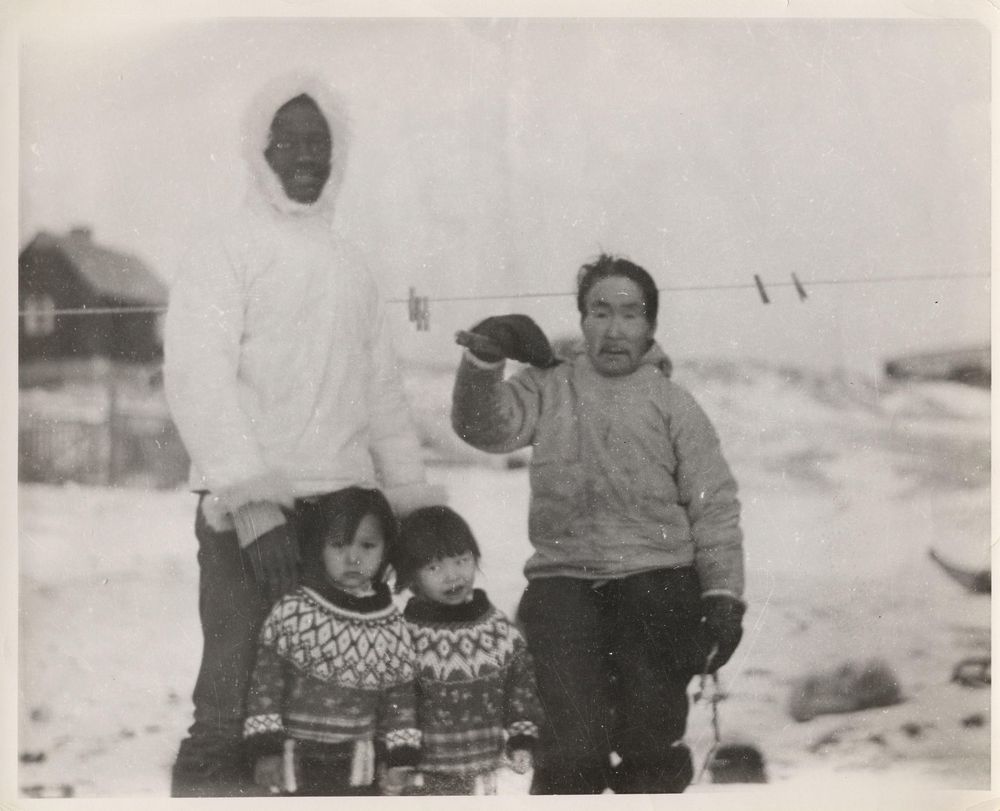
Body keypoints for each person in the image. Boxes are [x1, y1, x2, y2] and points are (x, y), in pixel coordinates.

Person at [163, 72, 440, 797]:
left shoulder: (352, 266)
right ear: (260, 151)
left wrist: (412, 508)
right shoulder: (224, 250)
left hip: (344, 522)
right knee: (230, 712)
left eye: (321, 141)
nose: (308, 155)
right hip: (249, 523)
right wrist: (253, 505)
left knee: (336, 715)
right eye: (289, 141)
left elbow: (382, 396)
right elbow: (197, 377)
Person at [451, 253, 746, 794]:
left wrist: (723, 598)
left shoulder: (675, 406)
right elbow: (484, 428)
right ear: (582, 320)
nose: (614, 330)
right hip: (564, 588)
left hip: (658, 588)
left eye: (631, 315)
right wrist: (486, 360)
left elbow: (715, 508)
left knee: (650, 747)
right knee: (568, 748)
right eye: (600, 312)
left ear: (651, 326)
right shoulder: (548, 386)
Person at [243, 487, 420, 796]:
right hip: (295, 764)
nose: (353, 558)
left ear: (386, 550)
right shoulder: (294, 611)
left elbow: (400, 700)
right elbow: (265, 685)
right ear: (319, 547)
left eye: (367, 545)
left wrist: (399, 758)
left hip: (359, 769)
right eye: (338, 545)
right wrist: (265, 749)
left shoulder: (392, 626)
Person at [395, 506, 544, 795]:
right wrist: (397, 756)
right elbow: (398, 701)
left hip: (484, 772)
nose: (452, 576)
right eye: (434, 568)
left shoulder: (496, 630)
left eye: (461, 561)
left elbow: (521, 686)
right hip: (423, 776)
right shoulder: (405, 635)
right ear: (412, 576)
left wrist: (522, 738)